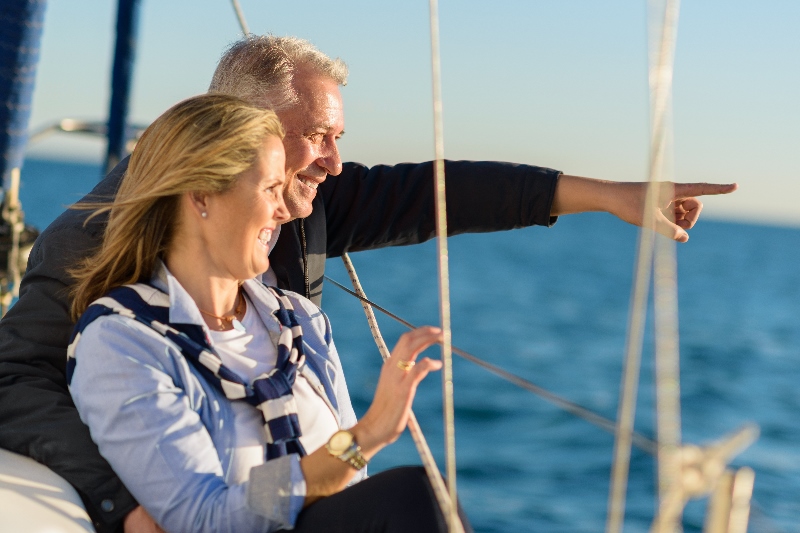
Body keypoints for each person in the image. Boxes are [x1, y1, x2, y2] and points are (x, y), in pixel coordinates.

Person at [0, 35, 736, 532]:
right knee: (414, 497)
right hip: (219, 501)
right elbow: (198, 503)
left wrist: (607, 196)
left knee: (416, 497)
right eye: (318, 136)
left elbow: (438, 193)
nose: (334, 163)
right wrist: (123, 503)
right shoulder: (115, 315)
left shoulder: (291, 292)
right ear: (239, 137)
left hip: (292, 500)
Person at [68, 93, 467, 533]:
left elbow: (352, 486)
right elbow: (203, 518)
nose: (283, 211)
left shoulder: (301, 322)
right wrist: (363, 438)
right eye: (271, 188)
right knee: (413, 498)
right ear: (202, 194)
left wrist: (356, 449)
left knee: (420, 498)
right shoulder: (123, 340)